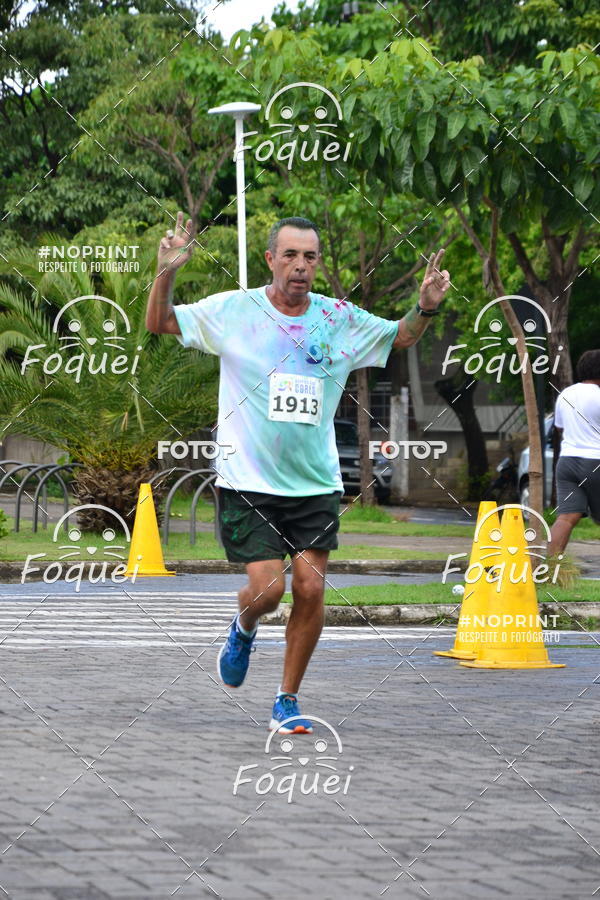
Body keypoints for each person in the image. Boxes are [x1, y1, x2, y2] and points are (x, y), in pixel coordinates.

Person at [146, 211, 450, 733]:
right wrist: (167, 271)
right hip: (247, 482)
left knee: (310, 589)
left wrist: (423, 307)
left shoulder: (338, 318)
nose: (300, 266)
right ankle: (243, 626)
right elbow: (160, 322)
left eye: (310, 257)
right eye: (289, 255)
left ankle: (286, 698)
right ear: (270, 259)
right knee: (268, 592)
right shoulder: (236, 311)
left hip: (315, 483)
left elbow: (400, 337)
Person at [548, 349, 600, 556]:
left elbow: (560, 429)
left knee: (566, 517)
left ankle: (549, 568)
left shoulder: (566, 394)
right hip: (595, 461)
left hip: (567, 462)